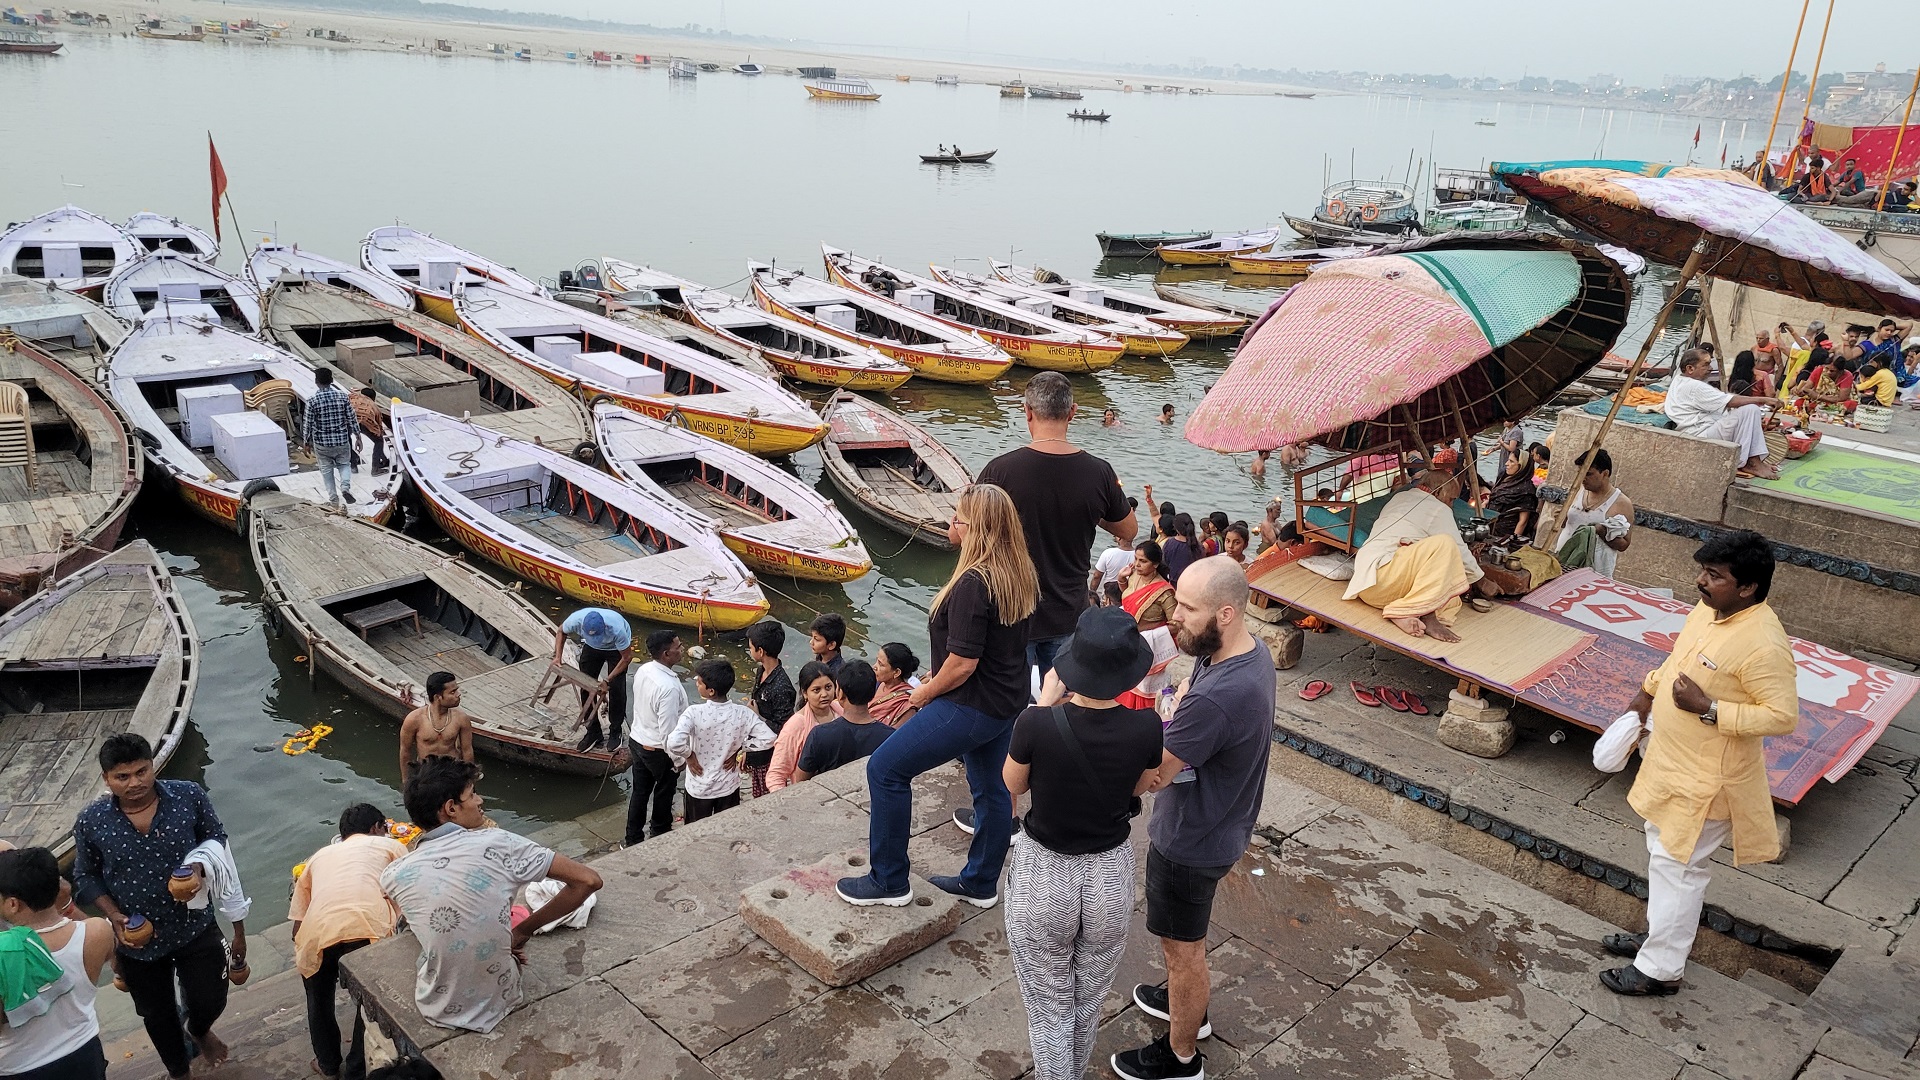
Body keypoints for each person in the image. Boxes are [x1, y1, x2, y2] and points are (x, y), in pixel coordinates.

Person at [1599, 531, 1798, 996]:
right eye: (1703, 571)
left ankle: (1660, 970)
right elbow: (1677, 661)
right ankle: (1656, 939)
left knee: (1679, 868)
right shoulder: (1709, 611)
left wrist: (1709, 709)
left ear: (1747, 587)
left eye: (1714, 576)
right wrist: (1645, 695)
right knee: (1662, 856)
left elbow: (1782, 716)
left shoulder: (1764, 643)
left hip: (1709, 778)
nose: (1700, 582)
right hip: (1670, 760)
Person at [839, 484, 1037, 908]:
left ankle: (889, 879)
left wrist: (923, 693)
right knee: (991, 789)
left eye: (958, 519)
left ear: (976, 531)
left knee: (886, 770)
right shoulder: (1017, 572)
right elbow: (987, 646)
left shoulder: (972, 582)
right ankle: (980, 882)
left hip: (971, 704)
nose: (951, 524)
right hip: (1006, 701)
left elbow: (964, 663)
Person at [1114, 557, 1273, 1080]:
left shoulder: (1216, 696)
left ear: (1225, 613)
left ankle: (1182, 1054)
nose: (1173, 616)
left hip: (1190, 841)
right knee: (1183, 942)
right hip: (1223, 821)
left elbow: (1155, 775)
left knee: (1184, 951)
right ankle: (1186, 1002)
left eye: (1186, 607)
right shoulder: (1247, 655)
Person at [1002, 607, 1161, 1080]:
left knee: (1048, 1005)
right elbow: (1139, 787)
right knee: (1087, 998)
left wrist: (1043, 707)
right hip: (1108, 876)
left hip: (1044, 876)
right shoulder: (1147, 727)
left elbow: (1013, 784)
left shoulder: (1035, 724)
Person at [382, 756, 602, 1033]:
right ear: (451, 808)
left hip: (435, 1005)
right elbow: (588, 880)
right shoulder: (499, 843)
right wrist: (523, 931)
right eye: (472, 794)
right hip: (500, 998)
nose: (479, 801)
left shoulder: (393, 874)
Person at [70, 734, 240, 1079]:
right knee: (157, 1014)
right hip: (138, 939)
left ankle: (200, 1028)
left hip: (194, 921)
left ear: (153, 766)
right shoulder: (91, 822)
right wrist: (114, 917)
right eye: (123, 777)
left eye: (141, 772)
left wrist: (197, 868)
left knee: (211, 997)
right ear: (106, 779)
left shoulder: (188, 796)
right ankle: (178, 1072)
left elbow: (216, 838)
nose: (134, 783)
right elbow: (85, 876)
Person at [975, 373, 1134, 683]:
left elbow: (962, 533)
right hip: (1069, 611)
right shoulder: (1099, 472)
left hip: (1012, 612)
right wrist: (1090, 508)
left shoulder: (1000, 470)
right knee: (1061, 702)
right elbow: (1128, 530)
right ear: (1072, 413)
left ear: (1028, 412)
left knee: (1011, 703)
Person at [291, 804, 409, 1080]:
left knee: (318, 1000)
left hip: (315, 932)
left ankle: (328, 1065)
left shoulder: (317, 858)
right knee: (369, 1001)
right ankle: (357, 1069)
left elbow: (297, 924)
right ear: (376, 829)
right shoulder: (390, 848)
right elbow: (408, 896)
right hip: (367, 926)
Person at [1341, 450, 1482, 644]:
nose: (1451, 506)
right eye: (1451, 500)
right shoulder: (1438, 508)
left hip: (1366, 586)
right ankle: (1422, 613)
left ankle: (1403, 610)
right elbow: (1460, 552)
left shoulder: (1400, 497)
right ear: (1438, 491)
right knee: (1445, 544)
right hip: (1383, 578)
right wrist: (1481, 580)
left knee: (1452, 595)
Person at [0, 847, 113, 1080]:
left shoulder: (5, 953)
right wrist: (67, 904)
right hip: (84, 1051)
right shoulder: (97, 932)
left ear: (12, 904)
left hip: (22, 1067)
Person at [665, 659, 776, 823]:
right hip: (728, 786)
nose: (696, 683)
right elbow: (769, 738)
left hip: (699, 788)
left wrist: (689, 755)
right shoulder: (743, 714)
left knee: (696, 833)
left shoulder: (694, 713)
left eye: (700, 682)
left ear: (710, 691)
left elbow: (673, 742)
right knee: (727, 828)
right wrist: (741, 748)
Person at [1665, 347, 1780, 480]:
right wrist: (1764, 399)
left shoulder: (1679, 379)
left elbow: (1722, 400)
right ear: (1690, 369)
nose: (1710, 368)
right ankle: (1752, 462)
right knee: (1751, 409)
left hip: (1702, 429)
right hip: (1701, 434)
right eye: (1706, 364)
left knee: (1745, 413)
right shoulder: (1693, 386)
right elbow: (1731, 400)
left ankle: (1753, 460)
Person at [624, 630, 686, 846]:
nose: (682, 649)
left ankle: (633, 838)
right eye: (678, 647)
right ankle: (659, 834)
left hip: (638, 740)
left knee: (640, 792)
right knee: (663, 792)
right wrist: (679, 760)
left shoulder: (644, 670)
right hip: (658, 749)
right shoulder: (667, 687)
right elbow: (668, 731)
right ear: (667, 654)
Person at [793, 661, 894, 781]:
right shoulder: (890, 737)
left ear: (840, 693)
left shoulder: (820, 735)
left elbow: (801, 782)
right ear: (873, 694)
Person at [554, 607, 632, 751]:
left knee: (616, 690)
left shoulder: (617, 629)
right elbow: (561, 631)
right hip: (591, 647)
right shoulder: (575, 620)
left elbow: (627, 658)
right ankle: (593, 731)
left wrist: (607, 680)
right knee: (586, 686)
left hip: (615, 649)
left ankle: (616, 731)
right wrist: (557, 656)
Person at [1553, 448, 1635, 577]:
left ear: (1605, 473)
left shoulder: (1621, 503)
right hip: (1564, 559)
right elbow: (1567, 524)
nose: (1583, 478)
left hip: (1595, 569)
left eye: (1588, 474)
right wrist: (1561, 519)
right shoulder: (1577, 491)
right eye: (1580, 473)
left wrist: (1602, 531)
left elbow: (1624, 544)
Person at [765, 662, 836, 791]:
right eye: (816, 690)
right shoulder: (795, 726)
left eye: (828, 687)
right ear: (805, 693)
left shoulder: (840, 711)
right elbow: (776, 775)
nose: (824, 694)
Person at [743, 621, 794, 798]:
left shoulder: (781, 687)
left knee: (768, 795)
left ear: (761, 651)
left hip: (771, 755)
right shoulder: (761, 672)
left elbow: (785, 728)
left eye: (751, 647)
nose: (750, 651)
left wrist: (758, 717)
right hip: (757, 749)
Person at [302, 367, 359, 512]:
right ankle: (345, 487)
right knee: (344, 464)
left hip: (322, 444)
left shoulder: (312, 401)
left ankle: (334, 501)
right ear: (332, 381)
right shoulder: (342, 397)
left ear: (316, 382)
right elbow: (352, 418)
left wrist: (306, 443)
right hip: (341, 440)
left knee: (326, 471)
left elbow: (307, 424)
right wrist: (358, 436)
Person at [398, 671, 472, 783]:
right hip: (426, 774)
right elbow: (405, 751)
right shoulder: (414, 719)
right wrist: (406, 780)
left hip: (452, 772)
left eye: (457, 690)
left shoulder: (461, 718)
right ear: (438, 697)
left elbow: (467, 751)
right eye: (452, 692)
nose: (458, 694)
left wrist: (469, 780)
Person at [1485, 447, 1539, 543]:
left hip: (1504, 534)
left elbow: (1523, 521)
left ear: (1521, 466)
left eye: (1511, 461)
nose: (1506, 464)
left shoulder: (1526, 490)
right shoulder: (1506, 479)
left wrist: (1511, 542)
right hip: (1489, 525)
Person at [1122, 540, 1175, 631]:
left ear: (1155, 564)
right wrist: (1121, 579)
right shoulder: (1134, 575)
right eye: (1136, 559)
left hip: (1148, 641)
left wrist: (1149, 634)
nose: (1137, 564)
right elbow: (1130, 597)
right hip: (1126, 633)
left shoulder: (1165, 592)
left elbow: (1176, 625)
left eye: (1143, 561)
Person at [1088, 507, 1139, 599]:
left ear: (1119, 537)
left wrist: (1092, 593)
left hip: (1109, 595)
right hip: (1128, 595)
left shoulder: (1108, 553)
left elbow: (1097, 576)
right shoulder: (1138, 556)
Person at [869, 642, 921, 728]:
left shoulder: (907, 705)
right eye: (876, 661)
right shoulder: (877, 682)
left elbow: (890, 735)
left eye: (880, 664)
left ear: (896, 672)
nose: (874, 666)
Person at [349, 387, 389, 474]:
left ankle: (353, 466)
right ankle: (375, 468)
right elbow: (378, 428)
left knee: (347, 441)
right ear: (373, 398)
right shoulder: (373, 406)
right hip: (365, 422)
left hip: (348, 421)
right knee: (379, 441)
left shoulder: (353, 398)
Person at [1161, 514, 1197, 585]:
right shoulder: (1198, 545)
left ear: (1176, 528)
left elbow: (1164, 561)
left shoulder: (1170, 543)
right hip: (1192, 582)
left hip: (1174, 582)